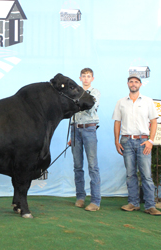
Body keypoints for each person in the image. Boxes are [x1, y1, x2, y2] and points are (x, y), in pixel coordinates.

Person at [112, 74, 161, 216]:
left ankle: (150, 205)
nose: (133, 84)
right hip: (126, 141)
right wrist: (116, 140)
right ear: (128, 84)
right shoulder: (121, 102)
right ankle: (133, 203)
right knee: (130, 174)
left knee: (146, 174)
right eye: (131, 82)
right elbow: (117, 122)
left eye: (136, 82)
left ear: (140, 85)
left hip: (143, 142)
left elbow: (153, 121)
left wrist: (150, 141)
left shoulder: (148, 101)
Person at [68, 68, 101, 211]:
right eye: (84, 76)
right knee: (77, 166)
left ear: (92, 79)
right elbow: (70, 110)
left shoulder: (95, 92)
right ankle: (80, 197)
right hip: (75, 129)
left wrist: (78, 103)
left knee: (93, 165)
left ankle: (95, 201)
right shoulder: (74, 93)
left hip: (89, 128)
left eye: (89, 76)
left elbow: (90, 107)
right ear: (80, 78)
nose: (86, 78)